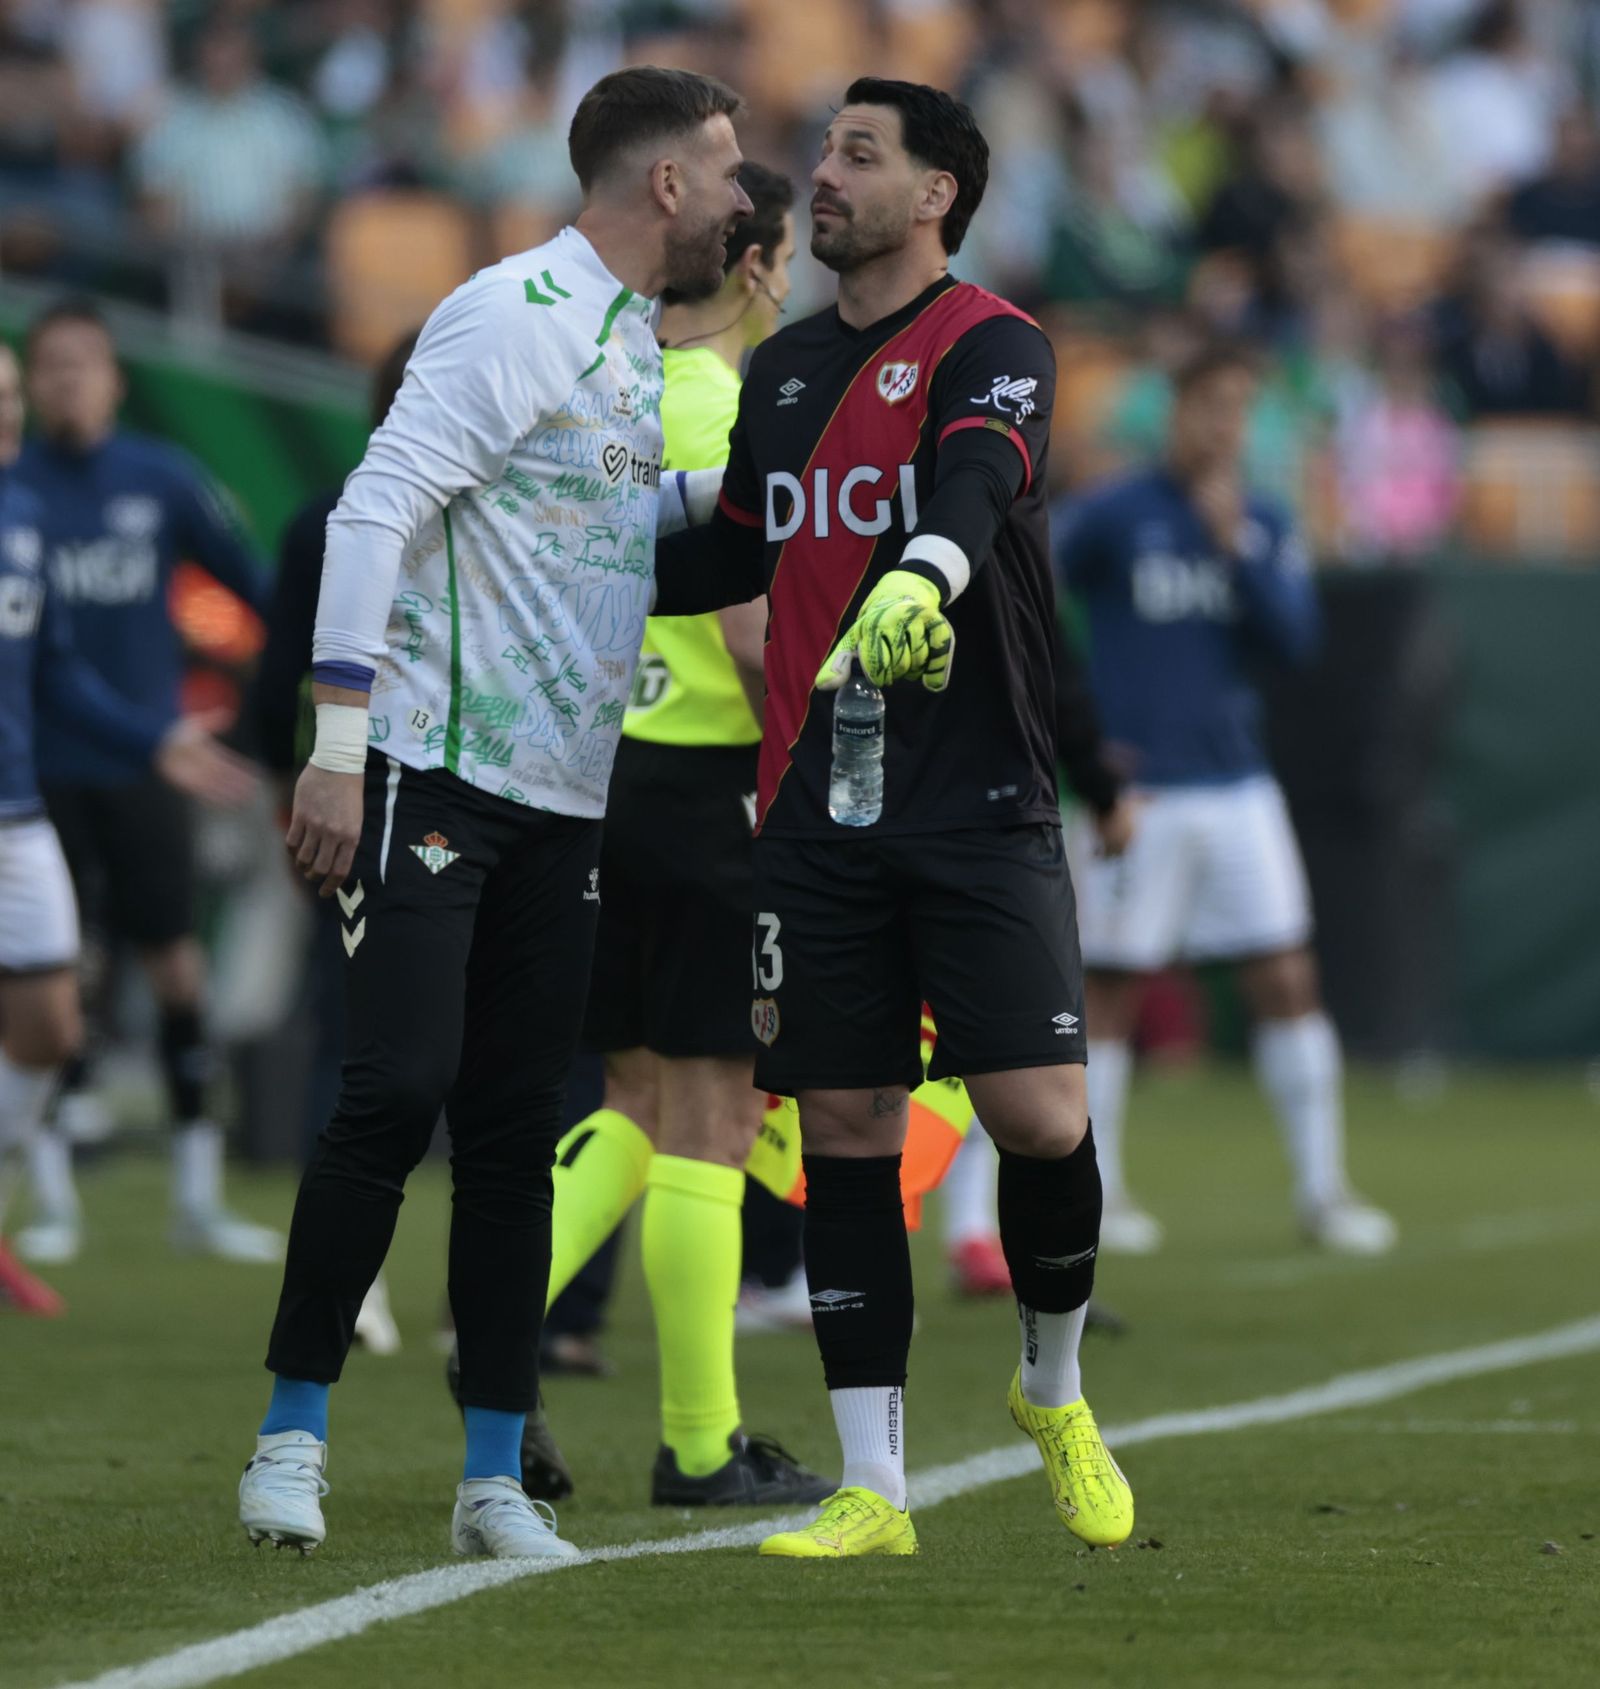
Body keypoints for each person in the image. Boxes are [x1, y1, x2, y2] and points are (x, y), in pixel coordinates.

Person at [235, 65, 754, 1562]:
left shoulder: (633, 345)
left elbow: (609, 530)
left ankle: (489, 1483)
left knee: (521, 1129)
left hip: (562, 800)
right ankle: (291, 1435)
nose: (740, 198)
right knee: (396, 1092)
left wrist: (762, 494)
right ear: (663, 183)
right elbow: (376, 507)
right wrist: (337, 746)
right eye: (723, 170)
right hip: (431, 769)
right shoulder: (510, 311)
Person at [650, 78, 1136, 1559]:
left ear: (937, 193)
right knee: (849, 1127)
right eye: (825, 151)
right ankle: (876, 1486)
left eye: (859, 155)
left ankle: (1051, 1389)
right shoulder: (785, 368)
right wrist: (549, 539)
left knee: (1039, 1116)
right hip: (812, 803)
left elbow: (980, 485)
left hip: (977, 796)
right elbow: (725, 546)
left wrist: (917, 585)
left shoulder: (994, 343)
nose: (824, 175)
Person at [528, 159, 829, 1508]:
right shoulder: (724, 402)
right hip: (713, 791)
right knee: (714, 1113)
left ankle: (495, 1330)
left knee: (632, 1100)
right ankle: (700, 1442)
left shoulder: (608, 378)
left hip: (602, 777)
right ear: (759, 267)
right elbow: (752, 624)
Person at [1056, 340, 1399, 1258]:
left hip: (1236, 779)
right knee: (1112, 985)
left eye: (1239, 409)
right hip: (1139, 789)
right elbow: (1038, 588)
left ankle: (1323, 1191)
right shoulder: (1114, 514)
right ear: (1176, 411)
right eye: (1208, 405)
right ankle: (1103, 1192)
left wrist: (1235, 541)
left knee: (1286, 973)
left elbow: (1294, 640)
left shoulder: (1261, 518)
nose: (1223, 425)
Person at [16, 298, 277, 1265]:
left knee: (176, 966)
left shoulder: (162, 481)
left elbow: (255, 585)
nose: (69, 382)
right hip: (36, 775)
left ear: (116, 379)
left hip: (146, 765)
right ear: (30, 383)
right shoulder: (16, 491)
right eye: (51, 366)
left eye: (85, 363)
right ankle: (50, 1201)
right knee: (53, 981)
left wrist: (266, 711)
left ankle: (198, 1193)